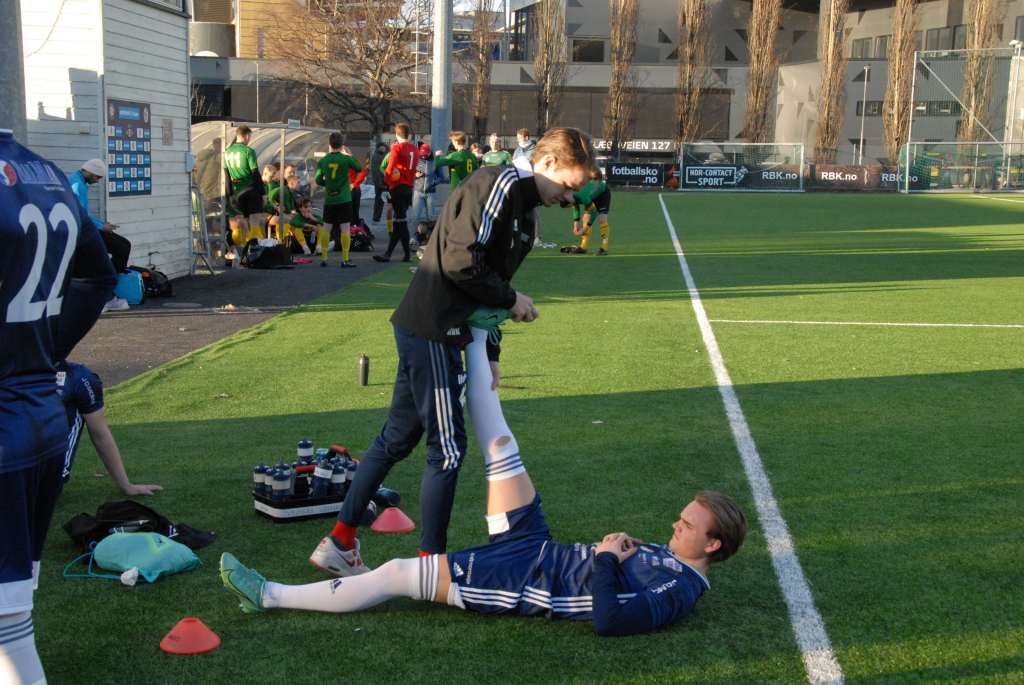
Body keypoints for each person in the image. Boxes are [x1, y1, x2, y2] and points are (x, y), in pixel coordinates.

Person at [220, 315, 747, 636]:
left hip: (522, 580)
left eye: (687, 525)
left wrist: (608, 559)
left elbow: (612, 622)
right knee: (500, 446)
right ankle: (474, 329)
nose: (676, 525)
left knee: (396, 574)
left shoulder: (682, 589)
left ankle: (269, 594)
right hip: (537, 544)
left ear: (713, 545)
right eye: (682, 517)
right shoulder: (673, 558)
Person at [306, 127, 598, 574]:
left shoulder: (523, 206)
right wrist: (512, 300)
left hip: (434, 326)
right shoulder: (499, 183)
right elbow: (463, 262)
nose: (570, 198)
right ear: (549, 163)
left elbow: (488, 283)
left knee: (395, 439)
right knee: (446, 451)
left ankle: (339, 542)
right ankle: (432, 566)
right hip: (435, 327)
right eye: (569, 187)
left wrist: (493, 351)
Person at [0, 129, 114, 685]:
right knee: (9, 621)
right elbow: (100, 274)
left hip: (9, 425)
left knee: (9, 631)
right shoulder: (48, 174)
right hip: (39, 415)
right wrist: (46, 354)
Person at [55, 360, 162, 497]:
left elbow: (100, 434)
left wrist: (126, 486)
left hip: (50, 473)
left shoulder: (78, 377)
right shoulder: (26, 370)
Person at [68, 158, 132, 311]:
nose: (97, 181)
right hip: (81, 231)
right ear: (90, 172)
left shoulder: (79, 181)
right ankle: (104, 294)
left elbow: (85, 213)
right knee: (119, 250)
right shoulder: (77, 186)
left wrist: (102, 225)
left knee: (124, 246)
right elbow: (81, 214)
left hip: (84, 227)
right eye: (98, 177)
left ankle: (108, 291)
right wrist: (101, 226)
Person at [372, 123, 419, 264]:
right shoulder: (415, 148)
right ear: (408, 134)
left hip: (397, 186)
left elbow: (389, 168)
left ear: (397, 134)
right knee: (398, 222)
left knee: (402, 223)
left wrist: (385, 184)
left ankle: (407, 255)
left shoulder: (396, 148)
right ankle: (388, 254)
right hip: (409, 186)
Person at [315, 133, 362, 268]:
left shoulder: (323, 160)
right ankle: (345, 259)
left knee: (327, 228)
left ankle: (324, 257)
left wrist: (329, 184)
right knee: (345, 228)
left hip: (330, 198)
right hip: (344, 198)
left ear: (329, 144)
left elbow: (318, 180)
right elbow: (359, 168)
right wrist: (350, 154)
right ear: (342, 144)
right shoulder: (345, 158)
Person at [223, 125, 266, 260]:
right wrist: (263, 193)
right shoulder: (249, 151)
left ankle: (248, 253)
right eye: (250, 137)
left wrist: (231, 195)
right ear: (246, 136)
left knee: (248, 221)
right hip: (251, 189)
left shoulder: (226, 152)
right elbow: (255, 172)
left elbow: (226, 176)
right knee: (255, 223)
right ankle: (257, 255)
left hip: (239, 192)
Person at [561, 175, 612, 256]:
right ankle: (583, 247)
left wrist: (586, 228)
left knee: (602, 219)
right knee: (585, 219)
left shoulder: (582, 197)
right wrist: (576, 225)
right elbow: (575, 208)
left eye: (570, 205)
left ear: (570, 201)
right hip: (591, 194)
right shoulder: (571, 198)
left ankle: (604, 248)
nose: (572, 206)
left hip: (602, 193)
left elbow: (594, 212)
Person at [513, 129, 544, 247]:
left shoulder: (536, 150)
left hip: (532, 182)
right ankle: (522, 235)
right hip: (520, 182)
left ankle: (537, 237)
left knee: (533, 210)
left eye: (520, 138)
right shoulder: (517, 150)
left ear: (526, 138)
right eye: (517, 138)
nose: (518, 141)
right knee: (519, 210)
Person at [410, 143, 437, 231]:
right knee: (416, 216)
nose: (423, 157)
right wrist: (415, 175)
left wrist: (434, 182)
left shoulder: (435, 161)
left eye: (425, 155)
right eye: (422, 155)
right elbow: (410, 173)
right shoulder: (417, 160)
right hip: (418, 191)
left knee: (431, 217)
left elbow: (441, 176)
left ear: (429, 153)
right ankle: (413, 235)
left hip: (431, 192)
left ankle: (430, 236)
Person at [369, 142, 389, 226]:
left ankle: (377, 218)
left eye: (384, 147)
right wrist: (380, 183)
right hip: (379, 182)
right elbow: (376, 171)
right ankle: (376, 218)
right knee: (379, 200)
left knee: (380, 200)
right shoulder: (377, 156)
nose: (383, 148)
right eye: (382, 147)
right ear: (378, 148)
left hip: (381, 182)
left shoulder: (380, 155)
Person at [349, 160, 368, 229]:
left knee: (352, 216)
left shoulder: (351, 159)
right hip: (349, 189)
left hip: (351, 189)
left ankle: (355, 230)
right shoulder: (350, 159)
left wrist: (354, 184)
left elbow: (364, 172)